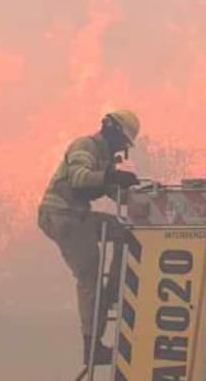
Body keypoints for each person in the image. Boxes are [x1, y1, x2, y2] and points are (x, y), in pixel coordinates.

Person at [38, 110, 141, 365]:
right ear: (112, 131)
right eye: (124, 142)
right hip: (63, 217)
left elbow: (114, 193)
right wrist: (111, 177)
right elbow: (79, 178)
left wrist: (138, 194)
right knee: (90, 278)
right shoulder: (85, 145)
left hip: (77, 216)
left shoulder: (105, 160)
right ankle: (92, 346)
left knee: (123, 232)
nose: (123, 148)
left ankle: (114, 290)